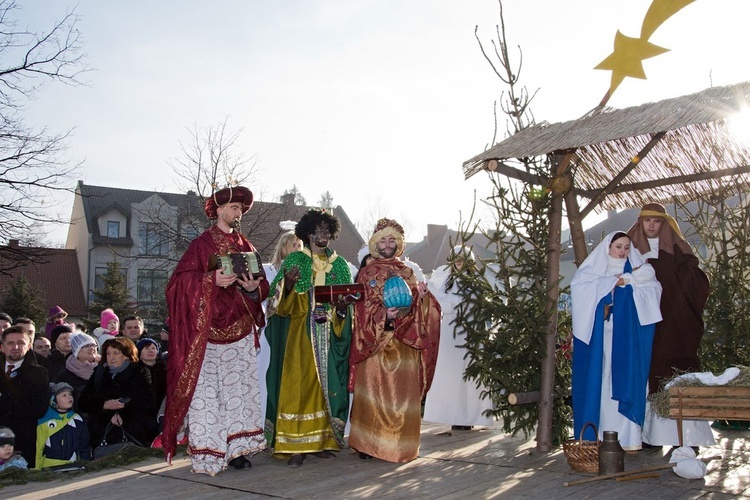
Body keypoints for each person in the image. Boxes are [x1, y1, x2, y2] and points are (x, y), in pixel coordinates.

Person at [163, 184, 269, 476]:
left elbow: (261, 284)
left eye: (241, 209)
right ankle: (210, 452)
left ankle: (237, 451)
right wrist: (210, 281)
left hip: (240, 327)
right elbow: (176, 286)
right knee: (208, 393)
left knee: (239, 391)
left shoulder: (246, 244)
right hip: (206, 332)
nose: (239, 213)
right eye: (234, 208)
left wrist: (251, 288)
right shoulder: (201, 245)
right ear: (219, 210)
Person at [265, 209, 352, 467]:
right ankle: (294, 445)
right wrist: (289, 287)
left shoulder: (340, 265)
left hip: (328, 337)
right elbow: (275, 303)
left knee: (326, 387)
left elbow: (346, 307)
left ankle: (322, 440)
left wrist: (343, 306)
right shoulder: (295, 261)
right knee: (297, 387)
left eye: (327, 231)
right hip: (299, 336)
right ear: (309, 233)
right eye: (318, 230)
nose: (323, 235)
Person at [348, 218, 441, 462]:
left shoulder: (408, 272)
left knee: (401, 396)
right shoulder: (366, 273)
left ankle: (400, 444)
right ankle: (367, 445)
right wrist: (382, 316)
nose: (387, 244)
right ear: (375, 244)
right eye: (383, 240)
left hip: (404, 344)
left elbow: (421, 311)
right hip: (375, 344)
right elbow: (360, 310)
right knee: (373, 393)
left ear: (398, 244)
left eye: (392, 240)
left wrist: (421, 299)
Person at [627, 203, 715, 448]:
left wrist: (675, 283)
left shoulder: (678, 249)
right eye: (647, 221)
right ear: (641, 223)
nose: (652, 225)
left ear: (664, 223)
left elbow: (697, 280)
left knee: (679, 373)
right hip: (644, 324)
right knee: (648, 372)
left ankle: (685, 437)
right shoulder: (630, 249)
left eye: (657, 221)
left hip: (675, 323)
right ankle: (649, 437)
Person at [571, 232, 663, 450]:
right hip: (602, 339)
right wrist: (610, 289)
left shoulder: (637, 269)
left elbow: (652, 286)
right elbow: (584, 293)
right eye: (618, 247)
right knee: (602, 382)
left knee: (625, 379)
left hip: (626, 340)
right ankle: (600, 434)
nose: (622, 252)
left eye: (627, 247)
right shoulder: (593, 272)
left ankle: (628, 438)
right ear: (608, 247)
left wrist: (625, 281)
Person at [423, 246, 494, 430]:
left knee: (469, 379)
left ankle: (469, 417)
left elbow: (472, 305)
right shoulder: (447, 281)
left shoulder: (477, 281)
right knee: (452, 377)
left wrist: (451, 302)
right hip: (451, 335)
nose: (458, 264)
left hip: (470, 334)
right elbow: (442, 304)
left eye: (462, 260)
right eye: (455, 260)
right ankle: (454, 416)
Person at [78, 337, 156, 450]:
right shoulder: (99, 373)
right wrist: (104, 404)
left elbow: (148, 401)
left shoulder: (140, 371)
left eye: (116, 353)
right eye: (108, 353)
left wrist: (124, 415)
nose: (111, 357)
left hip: (134, 433)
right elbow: (83, 402)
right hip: (103, 434)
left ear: (126, 354)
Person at [259, 231, 302, 421]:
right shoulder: (268, 270)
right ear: (283, 246)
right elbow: (262, 299)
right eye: (293, 244)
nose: (297, 248)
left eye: (300, 245)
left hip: (296, 331)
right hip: (271, 330)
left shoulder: (305, 271)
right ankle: (265, 421)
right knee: (269, 374)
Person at [0, 326, 50, 468]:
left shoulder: (39, 373)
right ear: (2, 347)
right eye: (10, 343)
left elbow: (38, 408)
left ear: (28, 346)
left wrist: (3, 401)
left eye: (21, 343)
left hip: (23, 443)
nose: (15, 347)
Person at [35, 381, 91, 469]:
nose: (69, 397)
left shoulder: (77, 419)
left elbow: (84, 446)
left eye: (70, 394)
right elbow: (38, 449)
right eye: (64, 395)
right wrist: (36, 471)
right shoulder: (43, 421)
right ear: (53, 400)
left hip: (73, 466)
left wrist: (86, 465)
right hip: (49, 470)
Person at [57, 332, 100, 412]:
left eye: (93, 345)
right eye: (86, 346)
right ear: (76, 352)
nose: (91, 348)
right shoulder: (65, 375)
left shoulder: (105, 367)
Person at [137, 338, 167, 436]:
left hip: (163, 413)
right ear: (139, 353)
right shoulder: (135, 371)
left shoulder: (165, 369)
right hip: (142, 417)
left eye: (153, 348)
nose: (151, 350)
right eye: (146, 348)